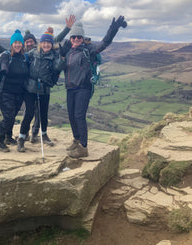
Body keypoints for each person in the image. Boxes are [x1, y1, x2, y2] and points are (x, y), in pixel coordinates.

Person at [60, 16, 127, 158]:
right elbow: (50, 46)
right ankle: (77, 140)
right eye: (74, 37)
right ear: (70, 38)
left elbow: (104, 43)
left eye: (79, 37)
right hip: (70, 88)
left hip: (83, 88)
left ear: (83, 38)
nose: (76, 39)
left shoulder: (88, 50)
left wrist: (113, 29)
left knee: (79, 116)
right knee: (71, 116)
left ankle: (83, 148)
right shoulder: (68, 51)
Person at [17, 27, 65, 152]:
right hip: (30, 88)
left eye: (48, 42)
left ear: (51, 44)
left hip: (44, 88)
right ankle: (21, 138)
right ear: (40, 43)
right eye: (44, 42)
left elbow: (57, 67)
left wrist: (63, 58)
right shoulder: (33, 52)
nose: (46, 44)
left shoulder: (54, 56)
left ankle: (43, 135)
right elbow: (21, 57)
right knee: (28, 114)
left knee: (43, 114)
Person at [0, 30, 29, 152]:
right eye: (15, 42)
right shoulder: (6, 55)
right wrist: (4, 68)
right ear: (11, 44)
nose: (17, 44)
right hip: (4, 91)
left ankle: (8, 137)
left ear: (22, 44)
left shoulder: (25, 58)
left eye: (19, 42)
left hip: (19, 92)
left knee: (13, 115)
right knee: (8, 116)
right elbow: (3, 62)